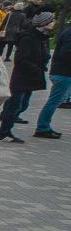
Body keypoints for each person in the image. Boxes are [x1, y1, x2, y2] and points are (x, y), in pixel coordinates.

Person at [0, 9, 55, 142]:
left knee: (22, 104)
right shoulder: (29, 38)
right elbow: (21, 59)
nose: (53, 23)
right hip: (23, 77)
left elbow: (43, 55)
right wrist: (36, 68)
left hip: (30, 77)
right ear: (44, 23)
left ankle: (4, 128)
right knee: (16, 104)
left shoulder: (41, 38)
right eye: (51, 21)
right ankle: (4, 130)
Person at [36, 9, 71, 140]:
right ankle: (42, 127)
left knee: (56, 100)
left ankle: (44, 126)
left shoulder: (67, 32)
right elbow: (66, 54)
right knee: (55, 100)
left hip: (62, 72)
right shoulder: (70, 34)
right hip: (63, 73)